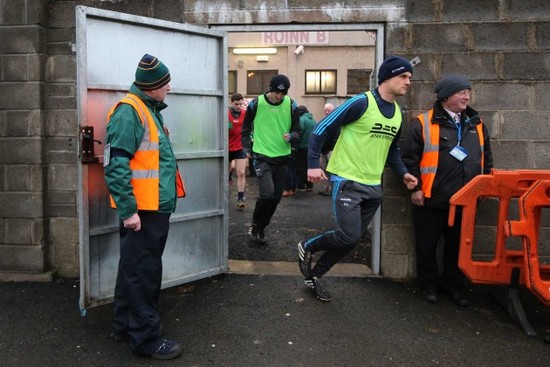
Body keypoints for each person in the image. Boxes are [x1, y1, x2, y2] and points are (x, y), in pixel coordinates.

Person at [298, 56, 418, 302]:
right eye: (403, 77)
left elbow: (392, 149)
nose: (408, 82)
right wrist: (312, 165)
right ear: (387, 78)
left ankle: (315, 275)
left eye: (410, 78)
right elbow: (321, 129)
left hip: (373, 186)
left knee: (350, 241)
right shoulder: (361, 102)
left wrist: (403, 173)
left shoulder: (397, 112)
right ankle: (308, 246)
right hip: (348, 181)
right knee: (348, 236)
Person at [103, 54, 185, 360]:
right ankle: (147, 339)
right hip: (143, 210)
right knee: (144, 273)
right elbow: (115, 164)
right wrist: (128, 211)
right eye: (166, 84)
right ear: (153, 87)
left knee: (132, 268)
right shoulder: (129, 112)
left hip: (150, 207)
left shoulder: (147, 110)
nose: (169, 88)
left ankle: (125, 324)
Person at [402, 74, 493, 307]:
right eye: (461, 92)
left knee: (458, 247)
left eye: (468, 92)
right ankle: (429, 286)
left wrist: (483, 188)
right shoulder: (423, 123)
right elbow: (410, 160)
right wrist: (416, 189)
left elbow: (487, 159)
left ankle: (453, 286)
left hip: (466, 201)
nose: (467, 96)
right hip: (432, 199)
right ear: (445, 97)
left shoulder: (477, 124)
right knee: (427, 245)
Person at [242, 74, 301, 244]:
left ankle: (262, 227)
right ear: (271, 89)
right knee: (266, 195)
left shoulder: (291, 104)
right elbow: (246, 127)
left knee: (275, 199)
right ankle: (255, 225)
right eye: (277, 93)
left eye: (283, 94)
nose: (279, 97)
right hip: (262, 156)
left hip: (282, 158)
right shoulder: (256, 103)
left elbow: (297, 130)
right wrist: (247, 147)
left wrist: (291, 136)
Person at [228, 92, 247, 209]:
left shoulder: (245, 114)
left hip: (240, 146)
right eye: (236, 104)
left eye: (240, 104)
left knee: (241, 172)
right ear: (231, 102)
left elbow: (249, 128)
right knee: (227, 171)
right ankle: (224, 196)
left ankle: (240, 198)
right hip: (227, 147)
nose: (238, 106)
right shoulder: (226, 113)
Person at [295, 105, 316, 191]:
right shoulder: (313, 120)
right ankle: (310, 185)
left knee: (301, 166)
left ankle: (301, 185)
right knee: (309, 166)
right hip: (311, 147)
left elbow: (299, 132)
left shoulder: (302, 120)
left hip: (302, 147)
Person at [319, 103, 335, 196]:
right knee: (325, 169)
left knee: (331, 169)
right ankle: (328, 188)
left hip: (331, 150)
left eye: (328, 110)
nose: (326, 112)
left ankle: (331, 188)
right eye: (325, 110)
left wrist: (330, 147)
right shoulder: (325, 121)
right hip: (325, 150)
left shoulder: (336, 122)